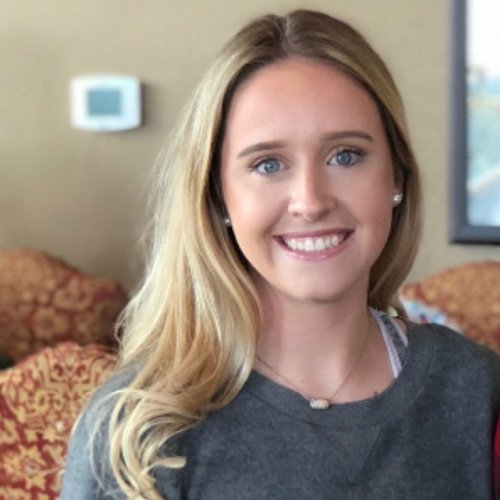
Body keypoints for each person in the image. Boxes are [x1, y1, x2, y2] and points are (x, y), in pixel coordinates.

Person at [61, 9, 500, 500]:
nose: (310, 201)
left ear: (396, 176)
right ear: (218, 197)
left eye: (345, 155)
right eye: (268, 164)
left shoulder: (477, 389)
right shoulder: (135, 433)